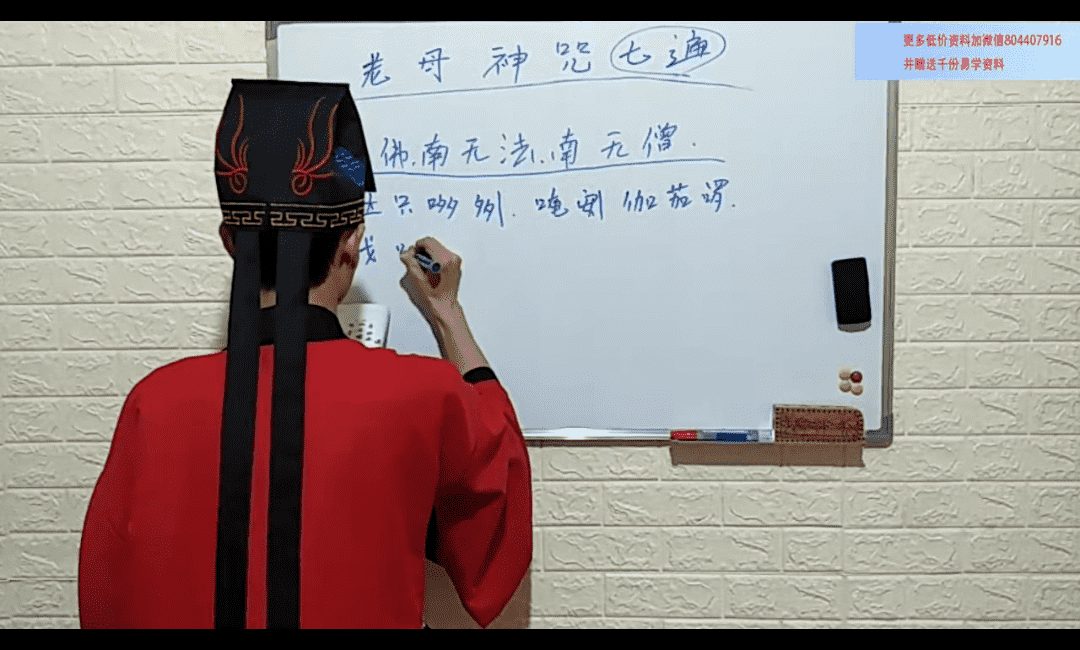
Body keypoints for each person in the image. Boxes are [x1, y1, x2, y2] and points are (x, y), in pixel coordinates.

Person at [78, 79, 532, 629]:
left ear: (230, 240)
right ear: (352, 240)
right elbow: (496, 514)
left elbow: (107, 587)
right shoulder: (423, 395)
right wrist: (447, 312)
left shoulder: (155, 402)